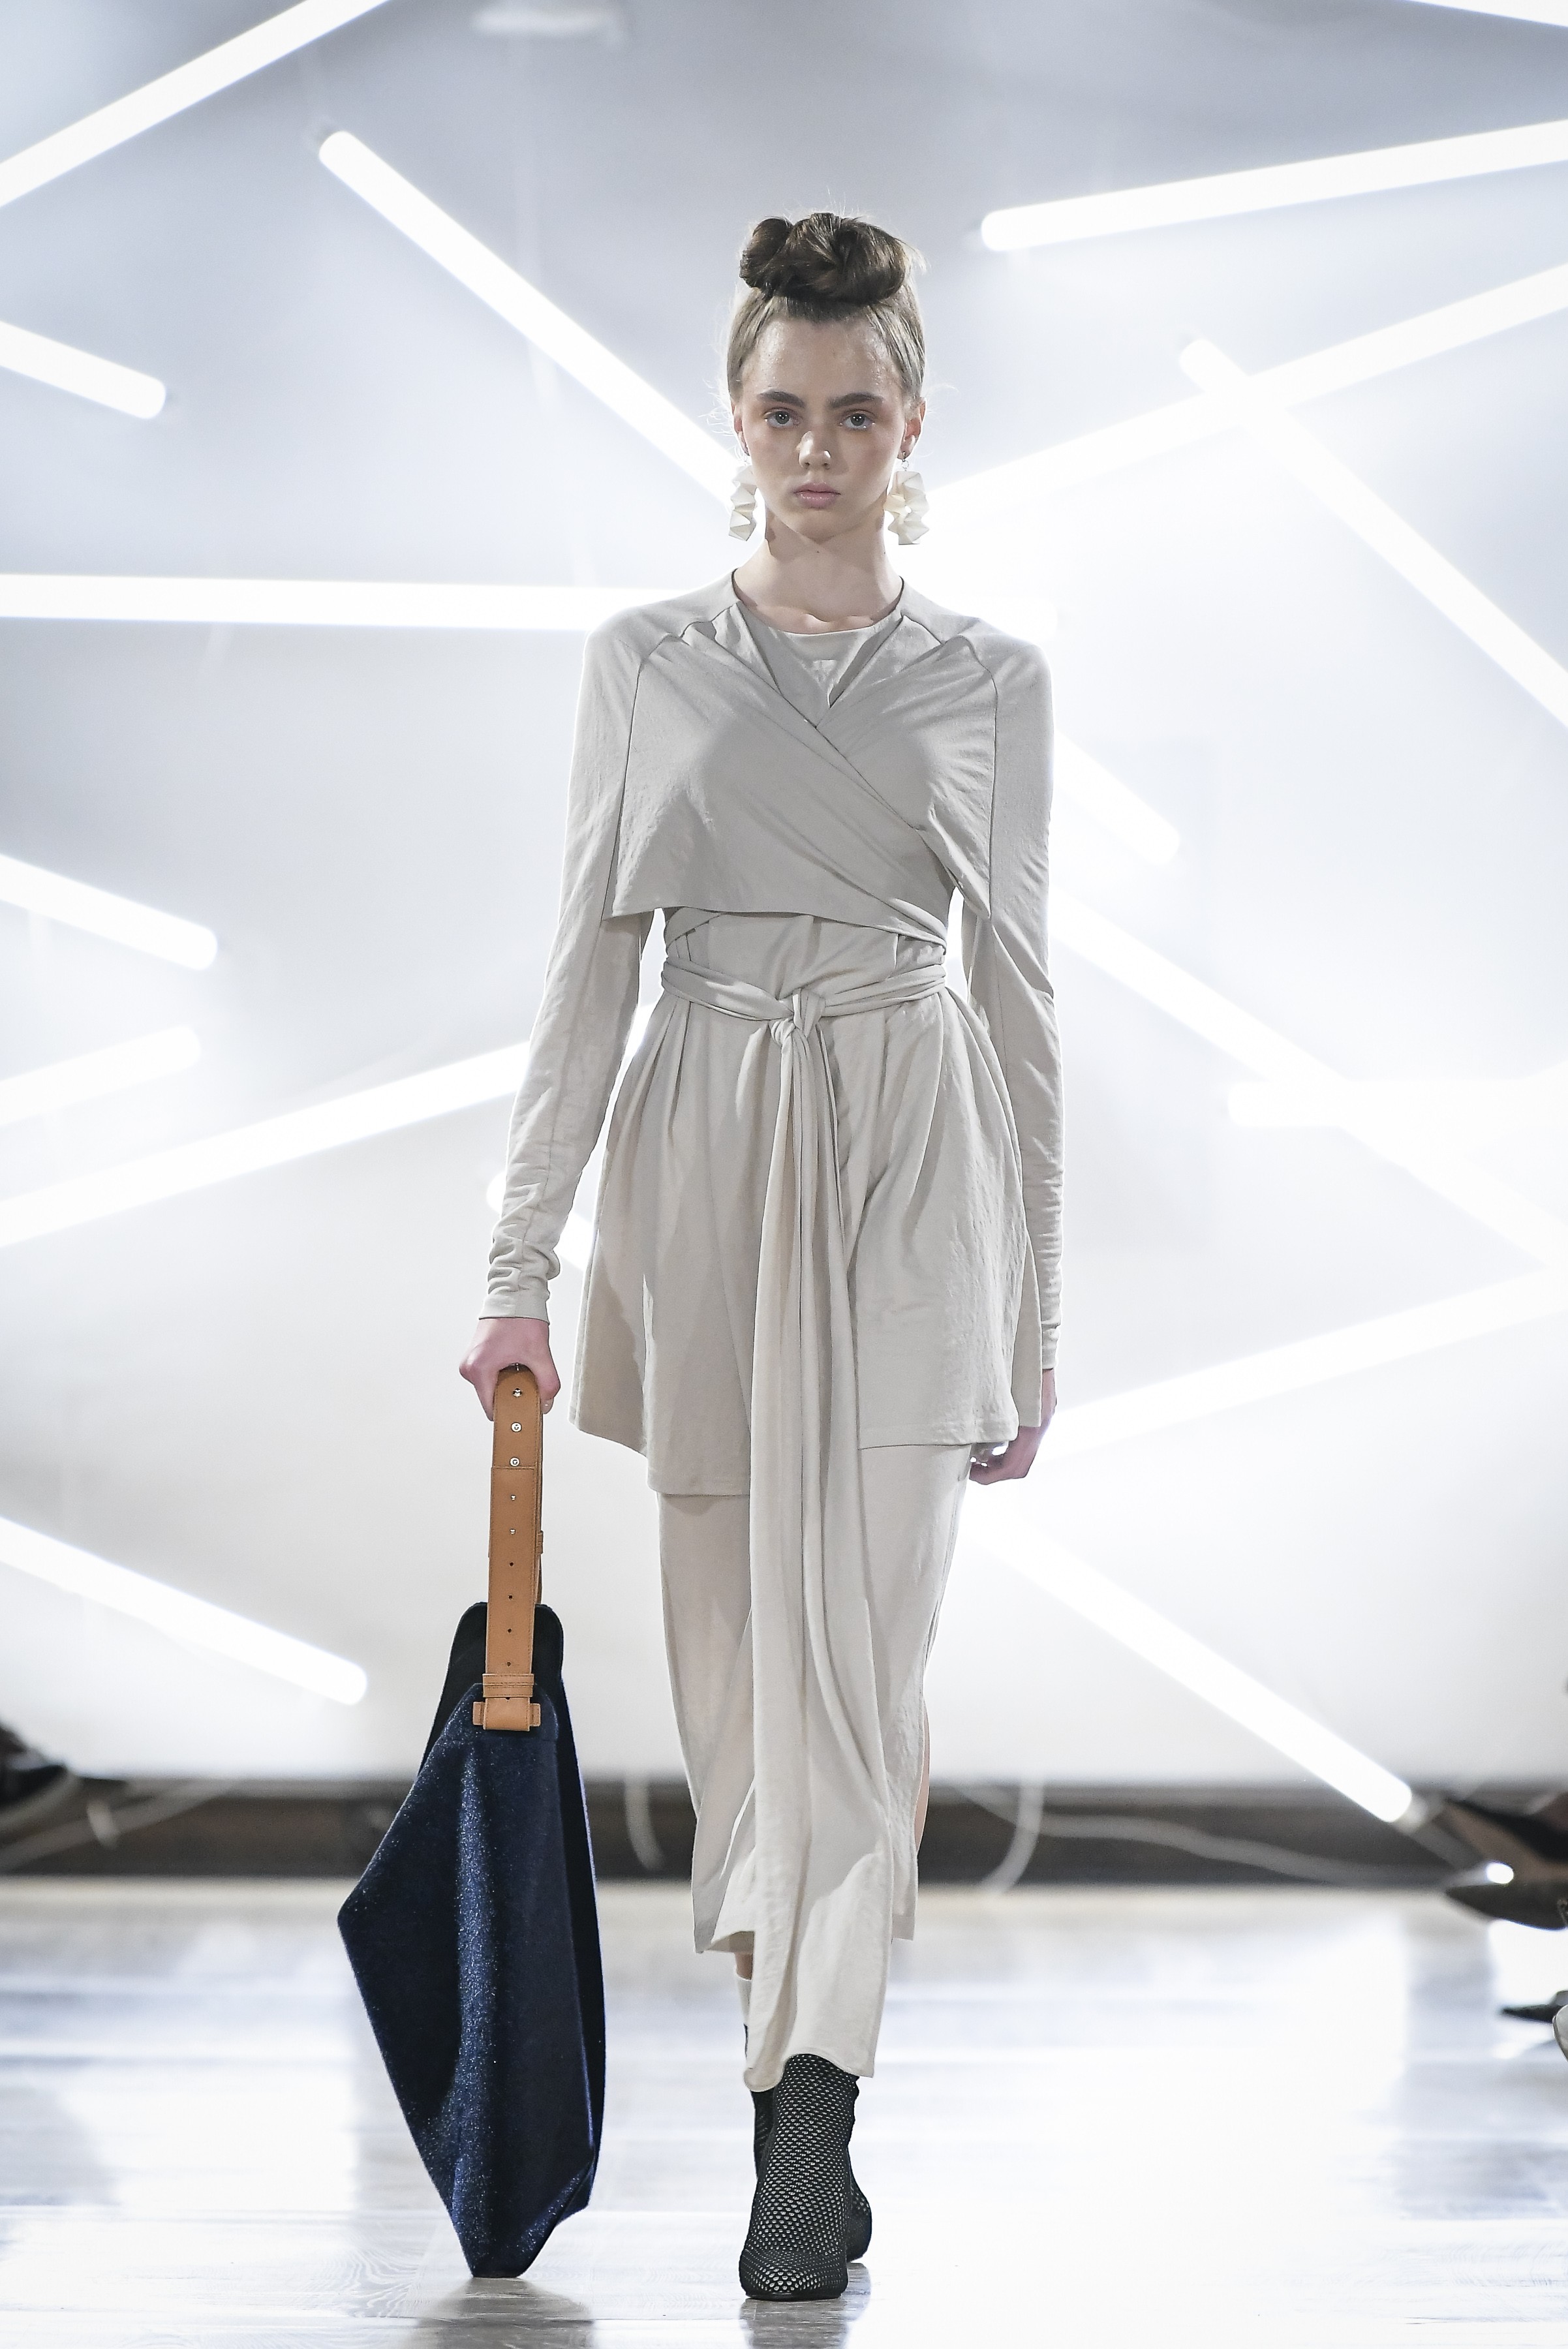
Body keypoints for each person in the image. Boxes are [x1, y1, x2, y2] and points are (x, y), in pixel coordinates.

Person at [459, 210, 1062, 2301]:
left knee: (860, 1667)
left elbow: (1022, 998)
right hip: (704, 1140)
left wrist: (1038, 1319)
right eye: (784, 412)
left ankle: (814, 2102)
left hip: (910, 1144)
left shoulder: (992, 681)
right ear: (734, 420)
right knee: (732, 1668)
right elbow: (583, 965)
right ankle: (778, 2064)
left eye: (855, 414)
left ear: (912, 426)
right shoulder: (643, 661)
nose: (818, 449)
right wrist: (517, 1265)